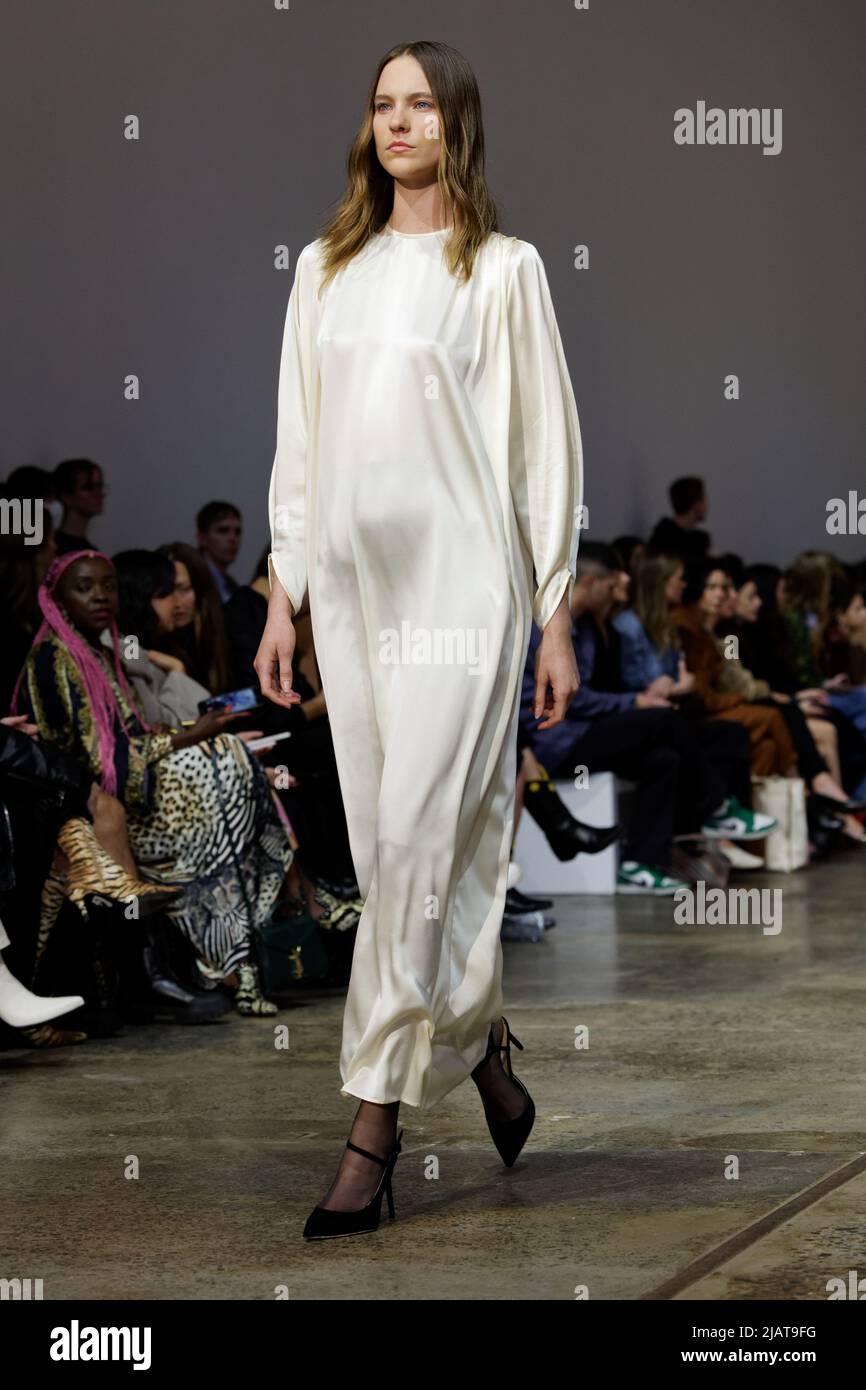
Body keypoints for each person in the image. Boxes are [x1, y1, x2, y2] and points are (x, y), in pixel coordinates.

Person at [255, 40, 582, 1238]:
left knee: (405, 846)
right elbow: (299, 444)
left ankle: (370, 1125)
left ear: (457, 125)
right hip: (350, 597)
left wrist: (553, 611)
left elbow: (542, 447)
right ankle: (482, 1044)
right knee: (410, 857)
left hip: (460, 592)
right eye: (383, 105)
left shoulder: (499, 270)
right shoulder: (323, 270)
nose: (399, 122)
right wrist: (282, 596)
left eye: (422, 105)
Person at [13, 550, 292, 1015]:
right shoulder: (55, 658)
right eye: (85, 587)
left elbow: (130, 735)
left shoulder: (99, 650)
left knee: (228, 759)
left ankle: (230, 957)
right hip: (78, 798)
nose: (100, 596)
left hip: (120, 786)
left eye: (109, 586)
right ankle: (180, 965)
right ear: (56, 599)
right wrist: (191, 735)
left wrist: (192, 735)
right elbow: (97, 760)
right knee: (219, 768)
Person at [158, 541, 231, 693]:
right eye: (166, 591)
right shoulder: (137, 641)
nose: (176, 602)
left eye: (183, 589)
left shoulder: (220, 631)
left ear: (200, 590)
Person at [51, 458, 106, 555]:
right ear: (66, 496)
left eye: (100, 486)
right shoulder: (51, 548)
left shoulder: (90, 551)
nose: (99, 494)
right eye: (88, 488)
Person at [648, 477, 711, 561]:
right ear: (696, 503)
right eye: (703, 500)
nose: (706, 506)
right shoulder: (665, 537)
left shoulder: (662, 534)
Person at [196, 502, 241, 603]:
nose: (233, 538)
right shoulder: (193, 581)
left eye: (237, 532)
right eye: (223, 530)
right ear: (202, 538)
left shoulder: (232, 586)